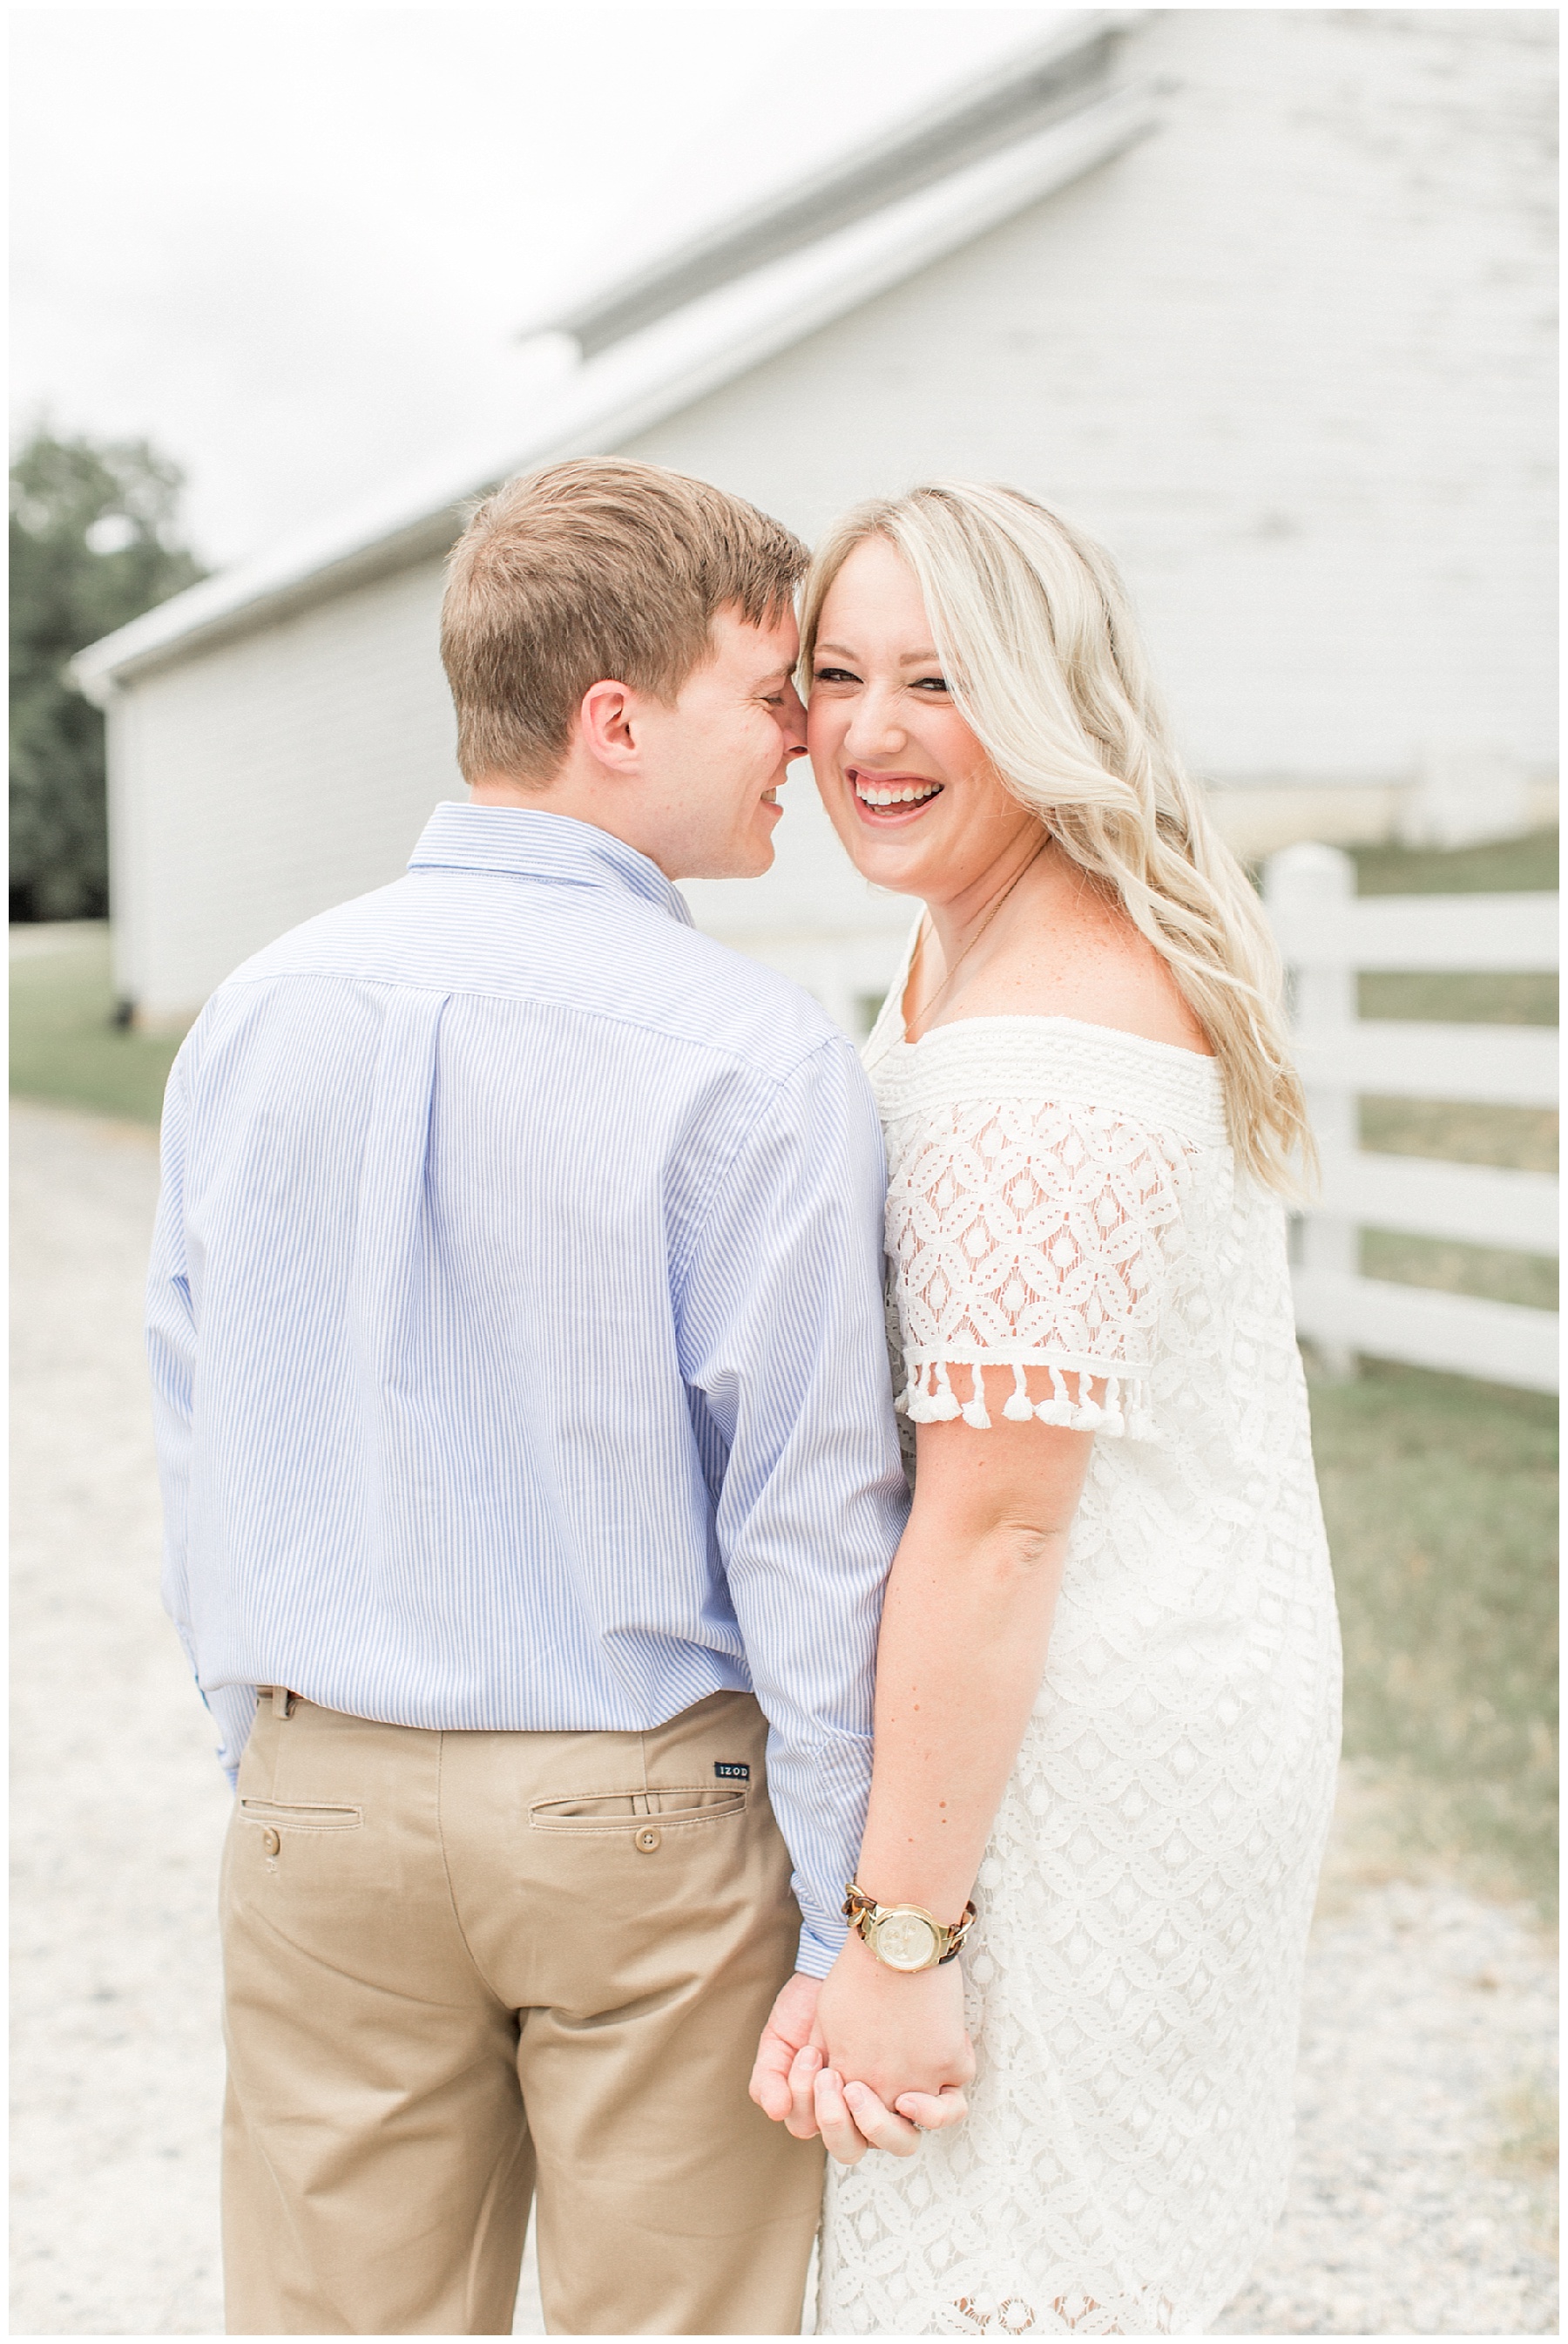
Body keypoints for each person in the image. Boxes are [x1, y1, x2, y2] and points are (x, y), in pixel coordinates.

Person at [145, 457, 967, 2338]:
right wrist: (858, 1913)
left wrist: (266, 1753)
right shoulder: (754, 1057)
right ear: (615, 722)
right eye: (773, 692)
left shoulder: (253, 1012)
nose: (807, 738)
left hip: (317, 1790)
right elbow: (809, 1518)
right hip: (645, 1826)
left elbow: (197, 1423)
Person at [749, 483, 1342, 2334]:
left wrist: (903, 1941)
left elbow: (999, 1518)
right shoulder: (972, 941)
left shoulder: (1046, 1048)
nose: (865, 730)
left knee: (1021, 2276)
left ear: (1053, 693)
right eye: (833, 675)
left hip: (1083, 1734)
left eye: (939, 679)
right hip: (1092, 1687)